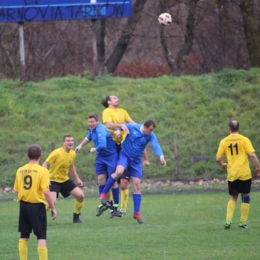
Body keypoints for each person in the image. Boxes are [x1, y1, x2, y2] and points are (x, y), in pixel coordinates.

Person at [100, 119, 167, 224]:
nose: (151, 132)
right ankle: (103, 194)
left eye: (152, 130)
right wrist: (118, 129)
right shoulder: (132, 127)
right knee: (118, 172)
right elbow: (118, 127)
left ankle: (136, 213)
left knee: (137, 186)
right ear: (145, 127)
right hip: (125, 156)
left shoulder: (150, 135)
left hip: (136, 162)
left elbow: (156, 145)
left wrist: (161, 156)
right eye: (150, 130)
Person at [101, 95, 150, 218]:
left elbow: (132, 123)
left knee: (123, 183)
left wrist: (143, 129)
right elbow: (108, 125)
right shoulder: (106, 112)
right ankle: (110, 204)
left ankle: (122, 209)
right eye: (114, 98)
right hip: (111, 147)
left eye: (118, 98)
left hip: (124, 148)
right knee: (110, 178)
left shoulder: (123, 111)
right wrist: (120, 126)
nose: (118, 99)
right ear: (109, 102)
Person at [14, 144, 57, 260]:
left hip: (23, 206)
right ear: (41, 156)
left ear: (27, 156)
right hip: (37, 206)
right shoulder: (43, 171)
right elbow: (46, 192)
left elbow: (16, 191)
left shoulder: (20, 170)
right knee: (41, 236)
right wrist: (52, 207)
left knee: (24, 236)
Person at [216, 120, 260, 229]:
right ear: (239, 128)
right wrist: (259, 166)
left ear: (228, 129)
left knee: (233, 197)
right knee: (245, 195)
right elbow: (252, 155)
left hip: (232, 173)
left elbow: (218, 158)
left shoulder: (224, 141)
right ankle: (242, 223)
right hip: (244, 173)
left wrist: (222, 165)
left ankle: (228, 221)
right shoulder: (244, 140)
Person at [75, 114, 119, 217]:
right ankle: (104, 204)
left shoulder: (101, 130)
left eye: (92, 122)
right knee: (100, 180)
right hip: (100, 158)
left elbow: (103, 145)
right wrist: (80, 145)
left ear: (98, 121)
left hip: (111, 156)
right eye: (89, 122)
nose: (90, 124)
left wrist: (95, 149)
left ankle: (116, 207)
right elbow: (88, 137)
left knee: (113, 181)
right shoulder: (93, 129)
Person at [42, 135, 84, 223]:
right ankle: (35, 218)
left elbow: (71, 166)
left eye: (72, 140)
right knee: (51, 203)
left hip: (64, 180)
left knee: (80, 195)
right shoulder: (56, 153)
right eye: (68, 140)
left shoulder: (73, 154)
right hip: (53, 180)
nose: (70, 142)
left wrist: (77, 179)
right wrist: (46, 178)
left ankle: (76, 218)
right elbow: (44, 164)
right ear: (63, 143)